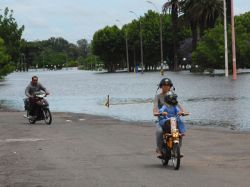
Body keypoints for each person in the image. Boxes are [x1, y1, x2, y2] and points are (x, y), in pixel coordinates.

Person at [153, 78, 185, 157]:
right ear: (161, 86)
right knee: (159, 131)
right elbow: (155, 108)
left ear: (170, 86)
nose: (166, 87)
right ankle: (159, 149)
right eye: (164, 85)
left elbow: (179, 106)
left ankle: (177, 150)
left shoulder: (172, 96)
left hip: (173, 119)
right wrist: (156, 113)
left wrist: (182, 112)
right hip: (162, 120)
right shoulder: (158, 97)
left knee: (179, 132)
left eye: (168, 85)